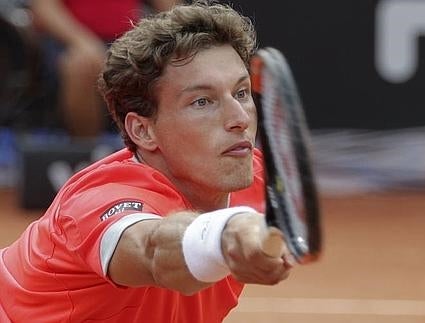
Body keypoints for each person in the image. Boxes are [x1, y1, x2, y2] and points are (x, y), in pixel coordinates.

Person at [0, 2, 294, 322]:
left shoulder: (255, 175)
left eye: (240, 92)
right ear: (143, 130)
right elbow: (153, 249)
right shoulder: (101, 198)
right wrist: (223, 234)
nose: (240, 118)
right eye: (202, 101)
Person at [29, 0, 180, 138]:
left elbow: (170, 8)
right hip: (67, 42)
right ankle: (88, 152)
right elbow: (44, 8)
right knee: (81, 65)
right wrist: (83, 43)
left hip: (128, 39)